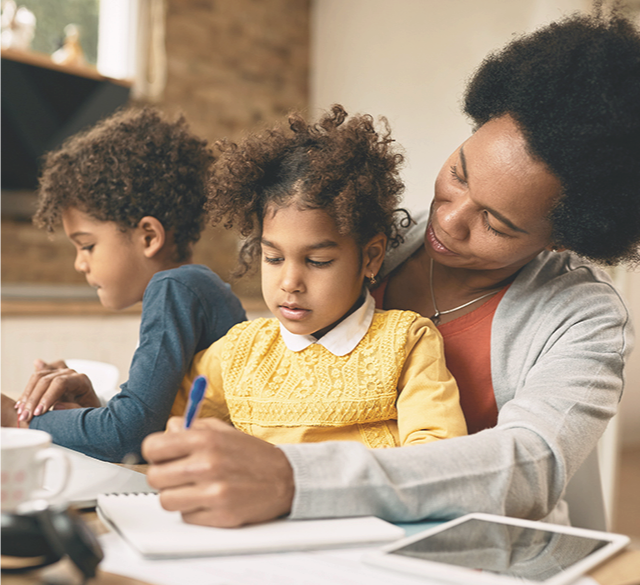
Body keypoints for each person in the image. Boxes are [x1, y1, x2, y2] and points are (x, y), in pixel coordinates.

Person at [142, 4, 639, 528]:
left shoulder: (584, 318)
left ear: (562, 239)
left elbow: (528, 467)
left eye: (495, 222)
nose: (448, 221)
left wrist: (297, 478)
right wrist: (118, 410)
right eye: (459, 174)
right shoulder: (365, 234)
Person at [171, 105, 467, 448]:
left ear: (370, 256)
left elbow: (437, 455)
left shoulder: (406, 342)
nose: (289, 282)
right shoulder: (240, 351)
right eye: (274, 257)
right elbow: (172, 421)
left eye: (318, 261)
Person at [0, 107, 247, 462]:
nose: (79, 262)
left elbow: (126, 435)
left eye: (87, 245)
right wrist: (93, 406)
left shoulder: (174, 288)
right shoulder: (194, 288)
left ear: (148, 236)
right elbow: (157, 427)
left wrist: (15, 419)